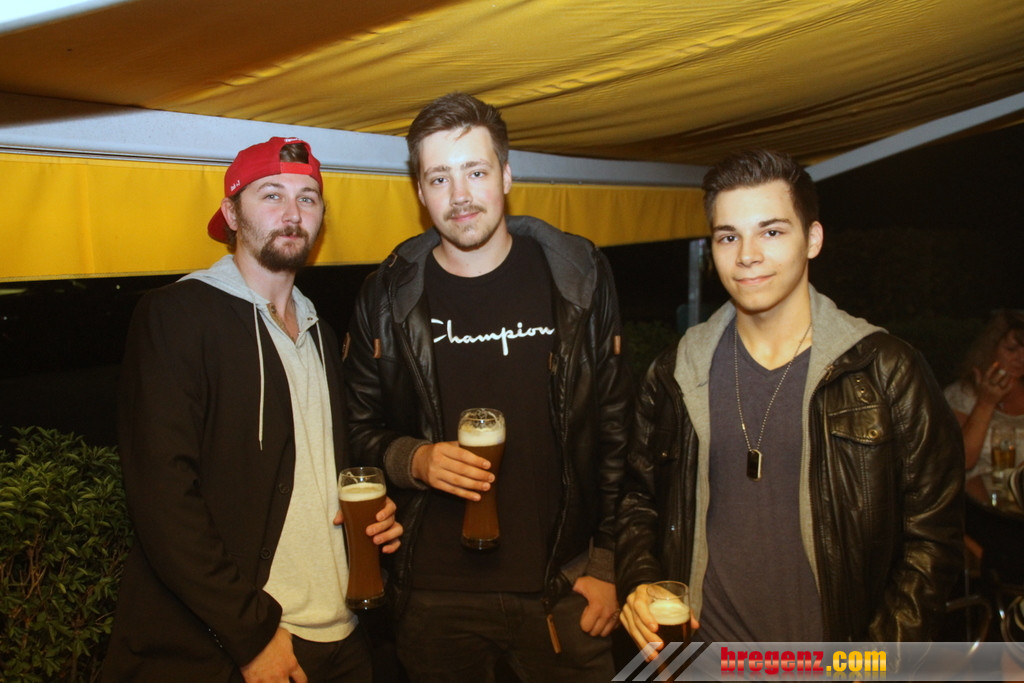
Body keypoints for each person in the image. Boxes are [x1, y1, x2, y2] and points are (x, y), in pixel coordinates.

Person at [616, 149, 963, 648]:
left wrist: (880, 660)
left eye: (772, 232)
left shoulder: (885, 370)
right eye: (728, 236)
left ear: (813, 239)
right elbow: (638, 501)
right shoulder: (676, 373)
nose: (747, 255)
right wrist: (640, 581)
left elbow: (933, 538)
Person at [342, 92, 632, 681]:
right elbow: (356, 429)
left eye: (475, 172)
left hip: (561, 585)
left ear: (506, 175)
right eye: (439, 178)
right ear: (420, 192)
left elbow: (615, 430)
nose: (459, 195)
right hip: (433, 595)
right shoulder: (386, 296)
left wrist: (605, 562)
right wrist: (415, 459)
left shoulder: (579, 276)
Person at [103, 137, 402, 682]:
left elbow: (315, 468)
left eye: (308, 198)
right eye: (271, 195)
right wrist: (251, 632)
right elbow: (163, 498)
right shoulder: (176, 315)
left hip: (344, 631)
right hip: (249, 642)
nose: (293, 213)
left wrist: (371, 512)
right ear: (230, 213)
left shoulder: (319, 329)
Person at [944, 310, 1024, 475]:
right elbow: (962, 461)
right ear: (991, 349)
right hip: (977, 489)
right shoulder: (961, 395)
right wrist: (986, 403)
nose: (1021, 358)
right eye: (1011, 350)